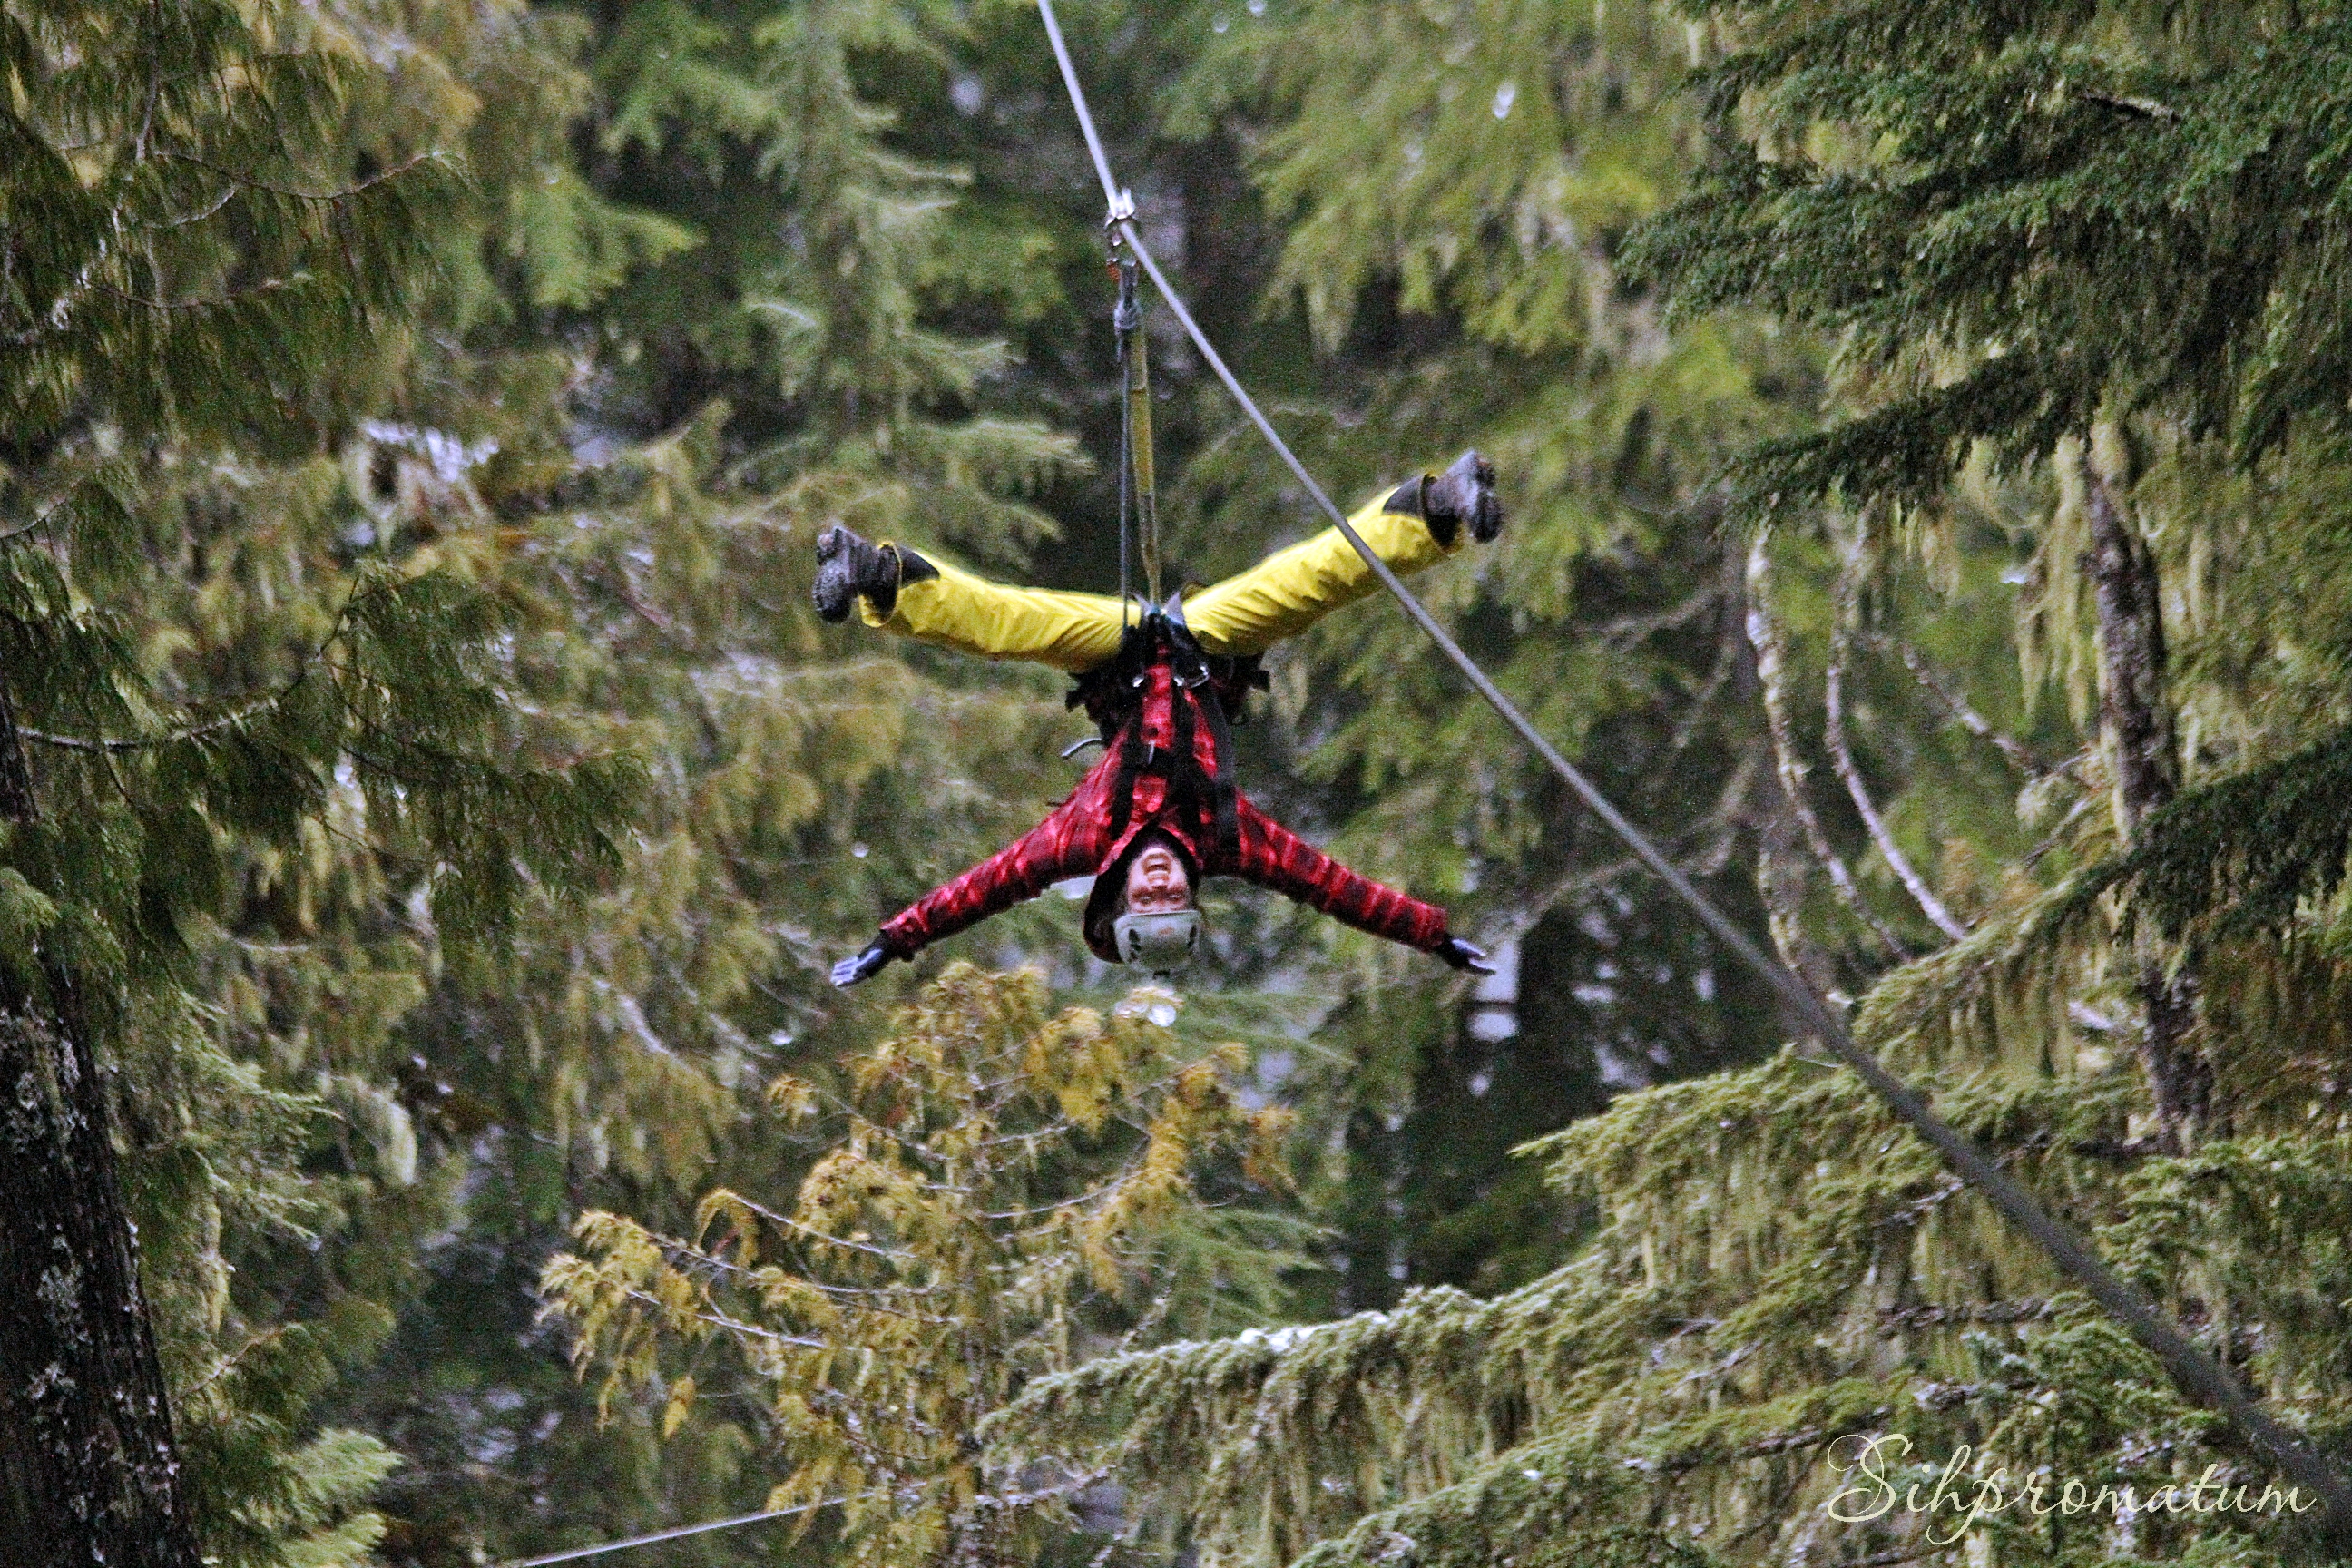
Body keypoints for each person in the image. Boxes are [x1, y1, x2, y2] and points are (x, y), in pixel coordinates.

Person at [818, 453, 1504, 987]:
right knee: (1304, 584)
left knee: (1008, 622)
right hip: (1203, 646)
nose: (1160, 886)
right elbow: (1334, 889)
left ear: (1120, 900)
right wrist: (1432, 936)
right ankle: (1440, 507)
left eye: (1147, 903)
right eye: (1174, 899)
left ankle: (876, 576)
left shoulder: (1080, 838)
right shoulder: (1229, 841)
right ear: (1190, 895)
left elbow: (981, 890)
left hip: (1112, 654)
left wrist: (892, 940)